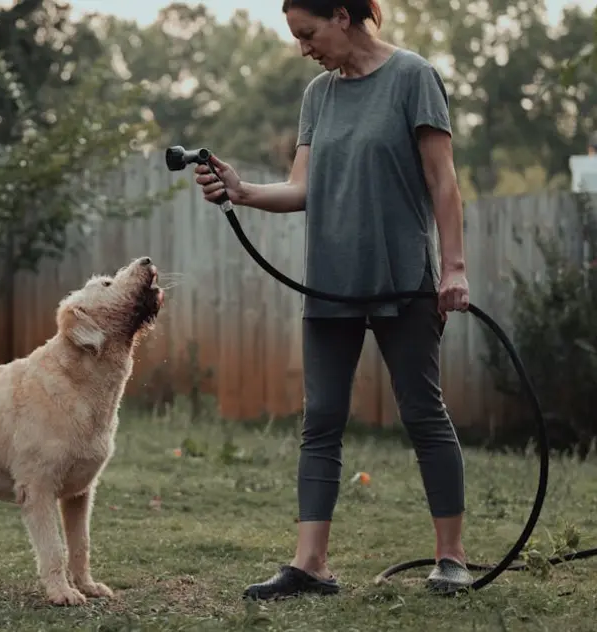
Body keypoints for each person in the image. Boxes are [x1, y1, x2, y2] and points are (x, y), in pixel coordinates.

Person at [192, 0, 473, 598]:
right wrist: (241, 191)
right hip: (330, 282)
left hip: (403, 281)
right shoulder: (319, 95)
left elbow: (442, 179)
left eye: (309, 32)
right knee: (320, 420)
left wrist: (454, 267)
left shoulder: (413, 77)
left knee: (423, 412)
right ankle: (310, 564)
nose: (303, 48)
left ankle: (451, 558)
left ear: (343, 16)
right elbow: (301, 188)